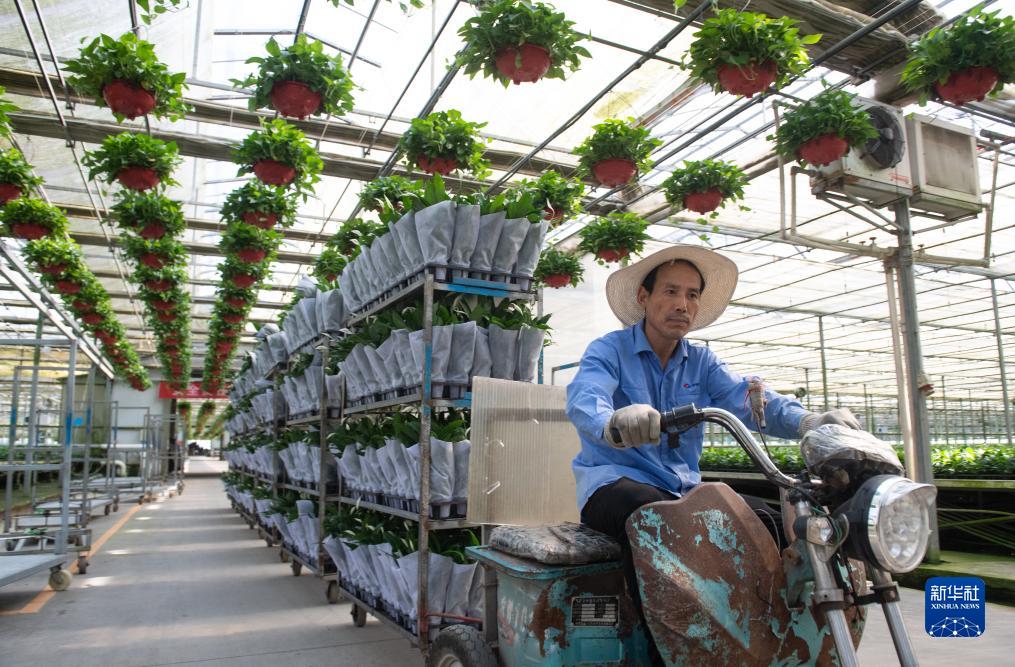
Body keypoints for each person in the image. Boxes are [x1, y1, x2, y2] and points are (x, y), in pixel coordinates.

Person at [565, 245, 860, 663]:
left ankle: (757, 635)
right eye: (670, 292)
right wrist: (612, 421)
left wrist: (808, 421)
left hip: (683, 489)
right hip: (614, 484)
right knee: (654, 517)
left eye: (691, 294)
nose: (682, 304)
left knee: (777, 524)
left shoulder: (702, 362)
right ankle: (664, 651)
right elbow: (585, 398)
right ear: (644, 298)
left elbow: (752, 400)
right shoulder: (608, 350)